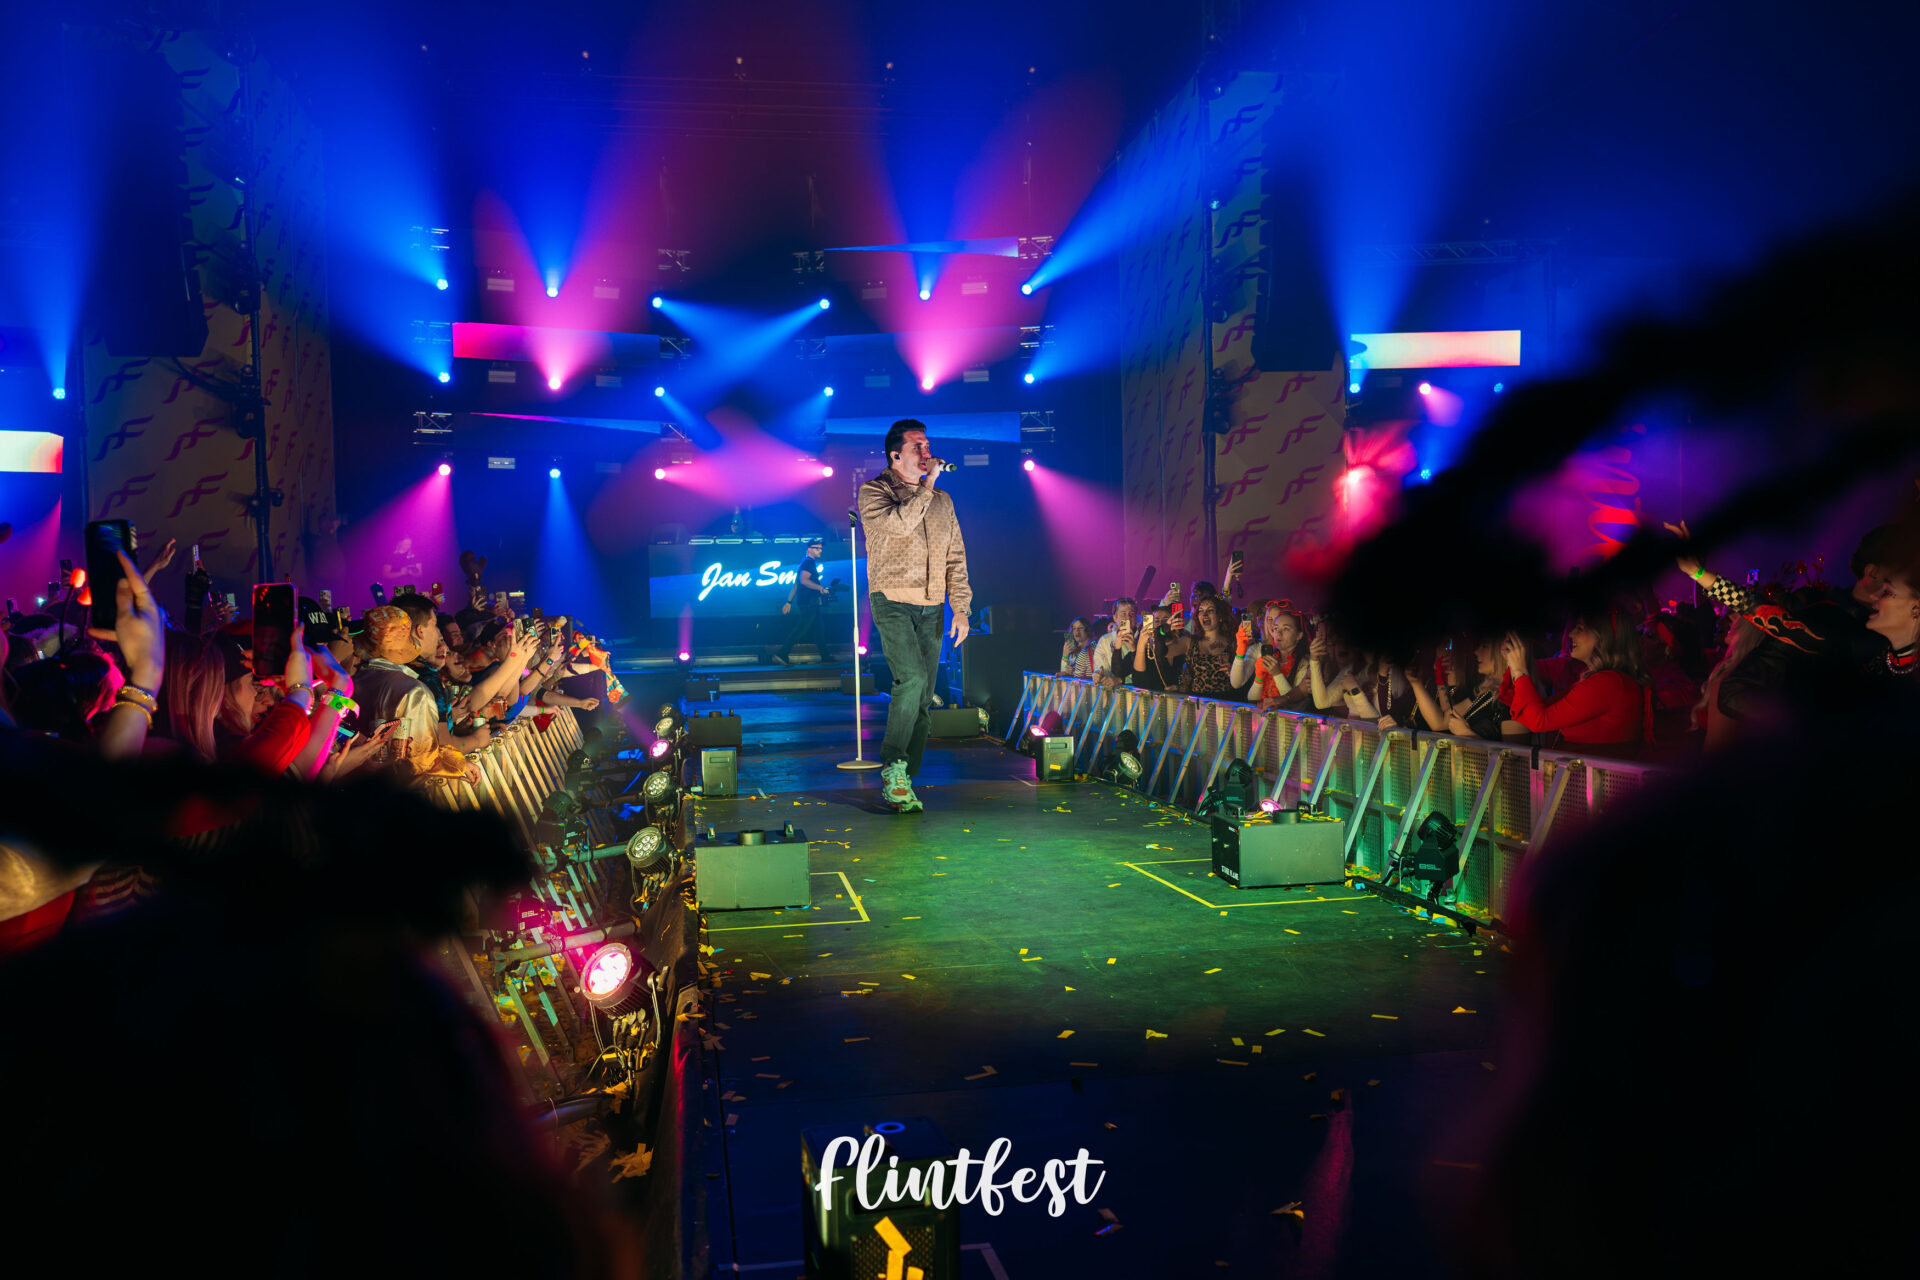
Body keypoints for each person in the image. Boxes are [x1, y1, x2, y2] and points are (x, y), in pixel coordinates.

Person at [857, 419, 972, 813]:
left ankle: (905, 773)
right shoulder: (875, 492)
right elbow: (899, 525)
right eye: (918, 447)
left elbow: (956, 557)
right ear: (896, 455)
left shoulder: (943, 501)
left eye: (928, 445)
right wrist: (928, 486)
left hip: (932, 605)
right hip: (891, 600)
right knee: (911, 679)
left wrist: (961, 608)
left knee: (923, 697)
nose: (927, 453)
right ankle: (893, 765)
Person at [1501, 612, 1650, 755]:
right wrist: (1514, 664)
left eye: (1579, 629)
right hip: (1583, 770)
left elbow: (1539, 720)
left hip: (1592, 772)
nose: (1571, 634)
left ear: (1603, 637)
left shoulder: (1610, 683)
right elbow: (1536, 709)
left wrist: (1520, 670)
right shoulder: (1604, 680)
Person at [1231, 600, 1312, 711]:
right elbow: (1251, 700)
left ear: (1299, 635)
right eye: (1271, 621)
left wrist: (1277, 674)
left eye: (1286, 628)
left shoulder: (1305, 662)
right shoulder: (1267, 653)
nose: (1276, 631)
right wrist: (1241, 651)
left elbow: (1295, 705)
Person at [772, 537, 829, 667]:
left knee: (819, 630)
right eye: (817, 548)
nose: (820, 550)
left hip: (810, 602)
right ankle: (782, 653)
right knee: (801, 629)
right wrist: (820, 588)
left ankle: (826, 657)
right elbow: (803, 581)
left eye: (821, 548)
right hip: (808, 602)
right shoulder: (808, 563)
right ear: (809, 549)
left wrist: (789, 602)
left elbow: (796, 585)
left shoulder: (806, 562)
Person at [1094, 598, 1140, 687]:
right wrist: (1097, 674)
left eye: (1132, 614)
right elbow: (1099, 666)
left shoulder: (1143, 639)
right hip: (1111, 691)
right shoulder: (1105, 640)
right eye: (1123, 614)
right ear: (1115, 617)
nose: (1128, 618)